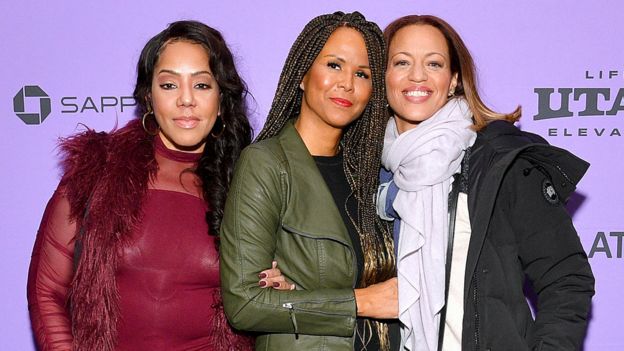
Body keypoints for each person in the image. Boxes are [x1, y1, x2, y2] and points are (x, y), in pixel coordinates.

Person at [26, 20, 285, 351]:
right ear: (148, 97)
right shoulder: (96, 170)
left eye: (202, 85)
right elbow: (47, 292)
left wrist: (277, 294)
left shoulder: (251, 185)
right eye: (169, 85)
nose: (186, 100)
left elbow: (269, 298)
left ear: (222, 100)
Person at [377, 15, 595, 351]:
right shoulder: (364, 173)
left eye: (433, 63)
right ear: (383, 76)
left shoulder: (501, 162)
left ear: (453, 80)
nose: (417, 75)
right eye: (402, 62)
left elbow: (565, 279)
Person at [220, 11, 399, 351]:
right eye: (334, 65)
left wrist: (302, 298)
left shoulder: (371, 174)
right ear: (303, 74)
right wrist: (361, 302)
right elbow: (244, 303)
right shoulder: (266, 163)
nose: (347, 82)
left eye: (362, 73)